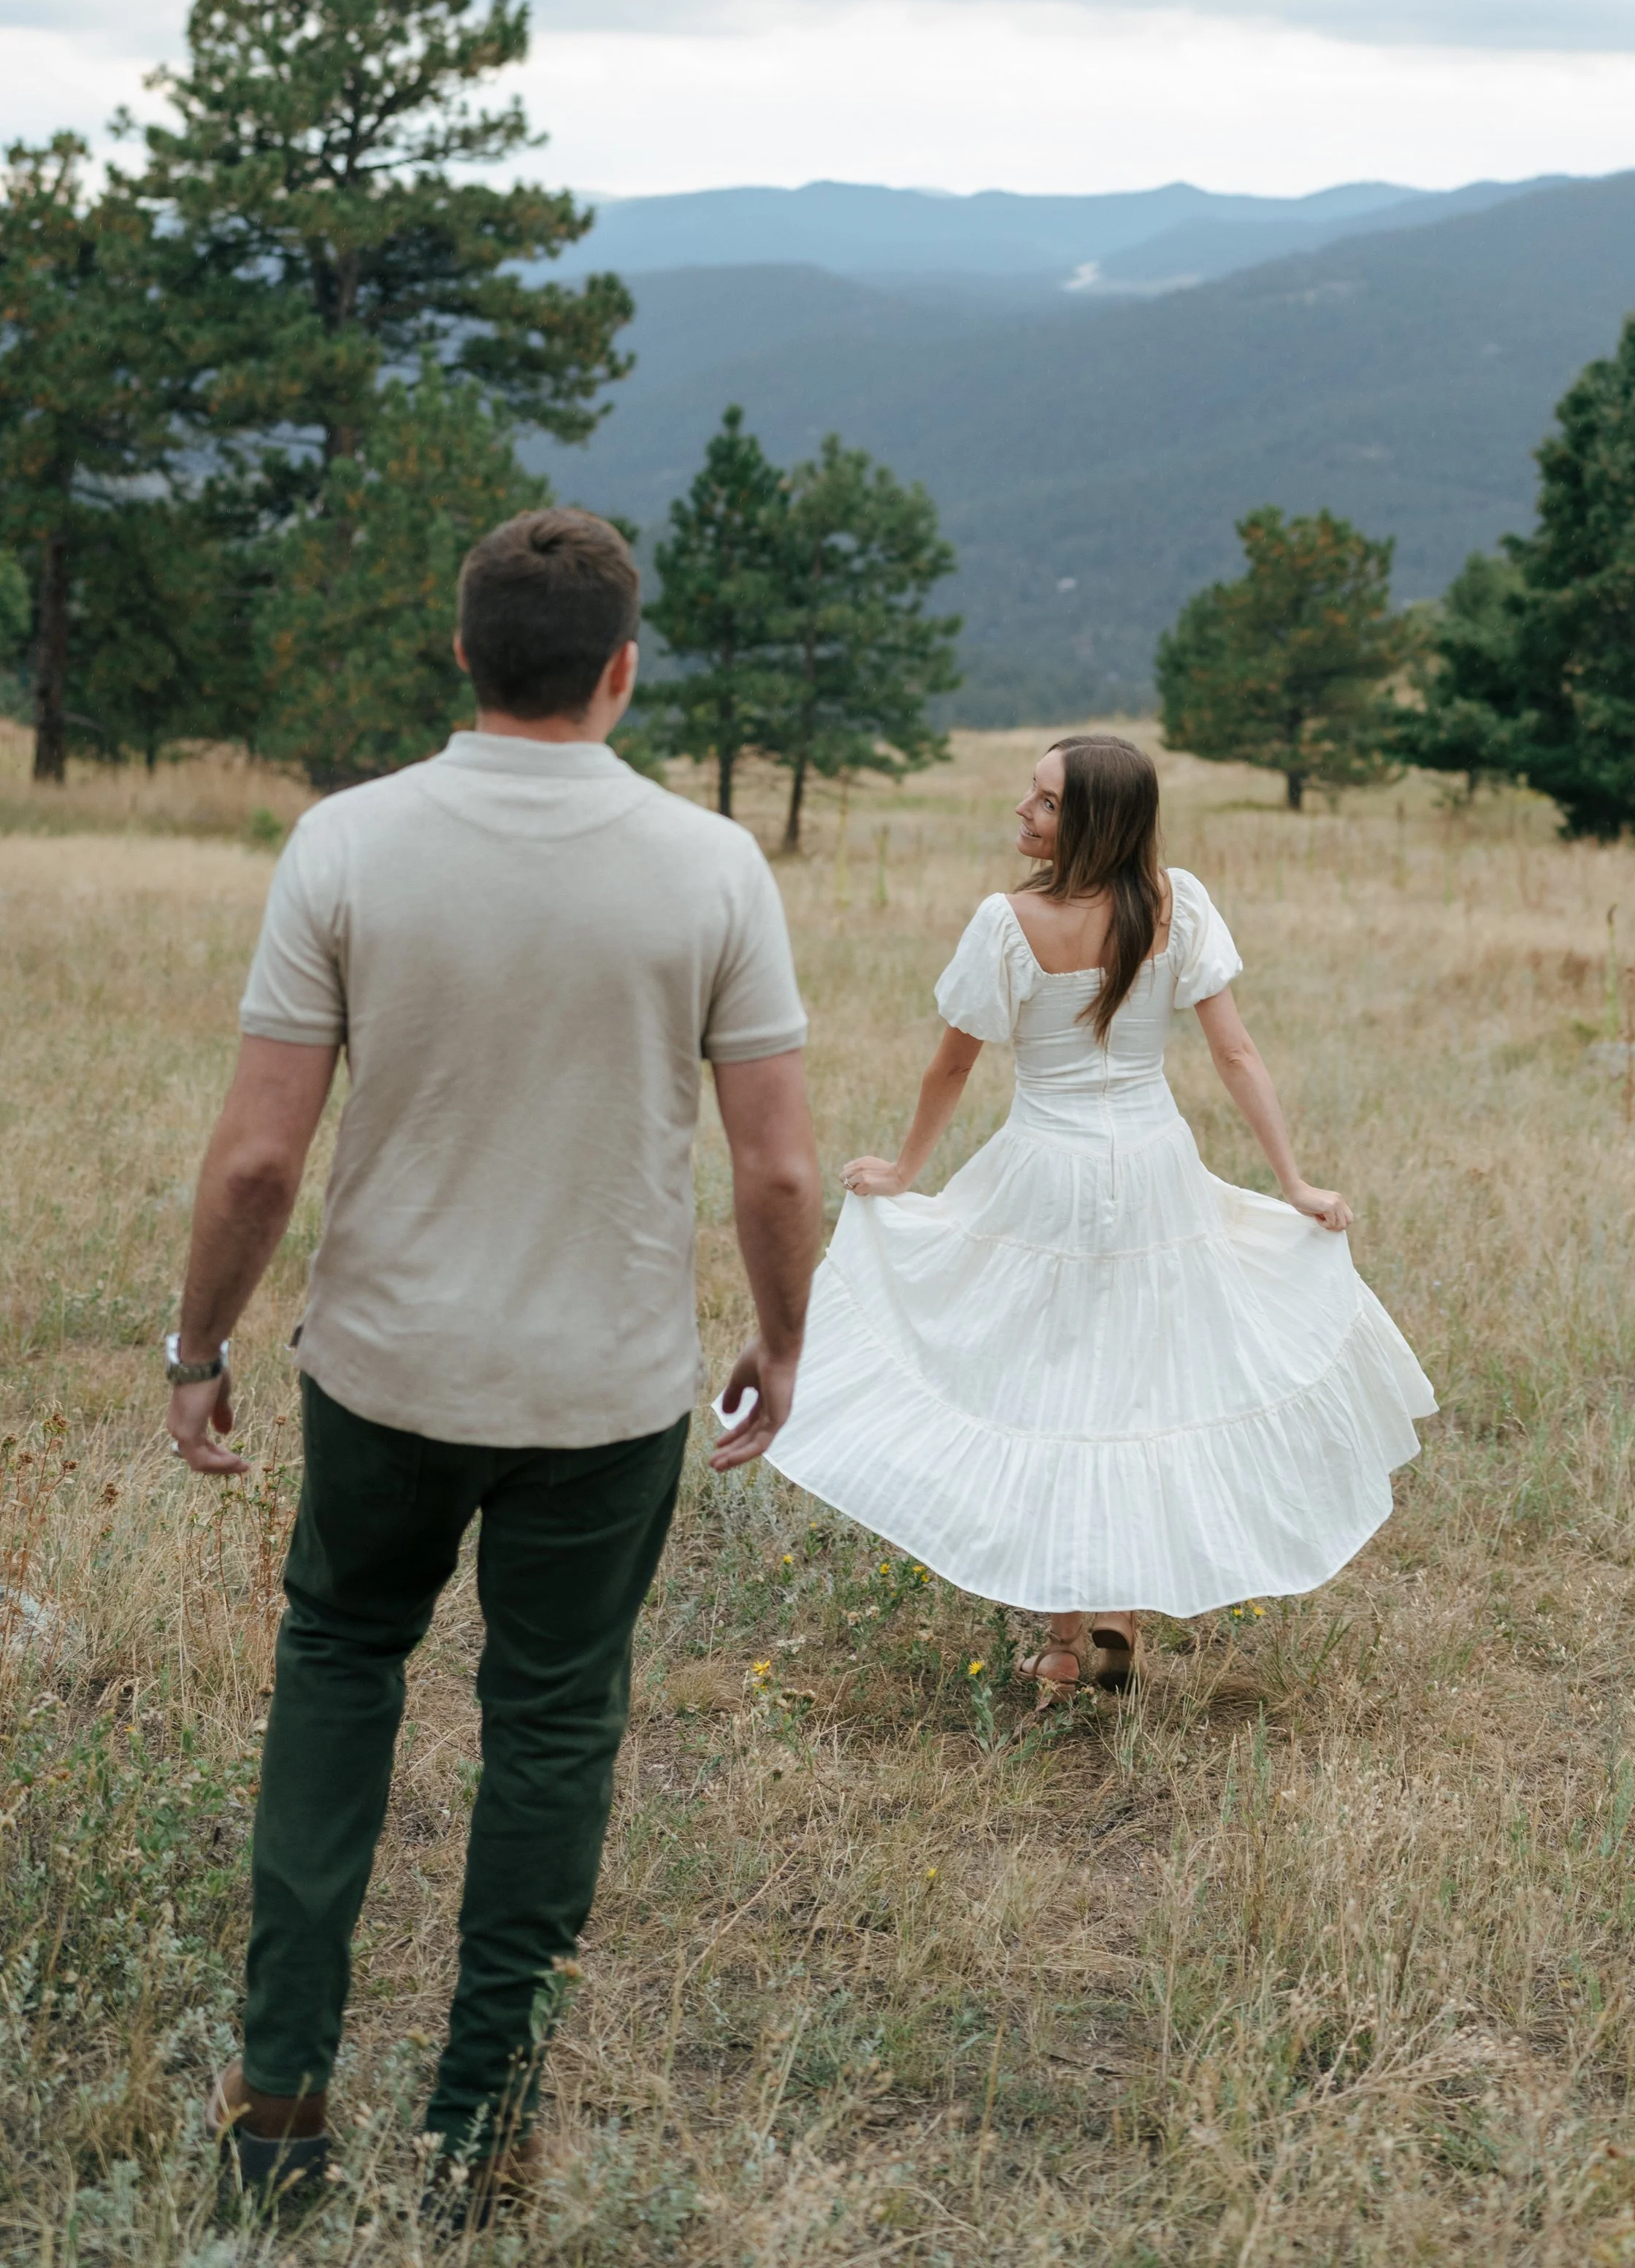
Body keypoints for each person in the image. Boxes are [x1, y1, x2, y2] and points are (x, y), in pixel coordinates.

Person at [163, 508, 822, 2207]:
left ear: (462, 652)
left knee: (336, 1672)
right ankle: (480, 2131)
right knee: (548, 1728)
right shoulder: (712, 866)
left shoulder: (347, 844)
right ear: (619, 668)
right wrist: (780, 1334)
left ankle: (279, 2108)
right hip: (602, 1395)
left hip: (383, 1368)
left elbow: (252, 1160)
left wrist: (197, 1340)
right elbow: (775, 1166)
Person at [760, 732, 1434, 1696]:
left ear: (1093, 822)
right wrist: (1292, 1184)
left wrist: (908, 1170)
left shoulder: (1009, 923)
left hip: (1046, 1172)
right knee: (1140, 1375)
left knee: (1052, 1379)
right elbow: (1236, 1056)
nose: (1023, 813)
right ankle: (1116, 1611)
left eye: (1044, 802)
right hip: (1157, 1168)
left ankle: (1069, 1640)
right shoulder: (1176, 905)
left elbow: (955, 1062)